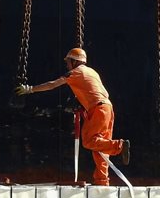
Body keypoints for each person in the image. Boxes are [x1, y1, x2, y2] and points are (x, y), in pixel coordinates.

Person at [14, 48, 129, 185]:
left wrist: (30, 89)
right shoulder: (92, 72)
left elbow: (52, 85)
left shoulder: (75, 73)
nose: (67, 65)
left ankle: (119, 146)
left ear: (75, 61)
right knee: (101, 146)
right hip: (107, 108)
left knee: (89, 141)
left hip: (97, 109)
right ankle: (102, 181)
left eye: (68, 62)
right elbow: (99, 91)